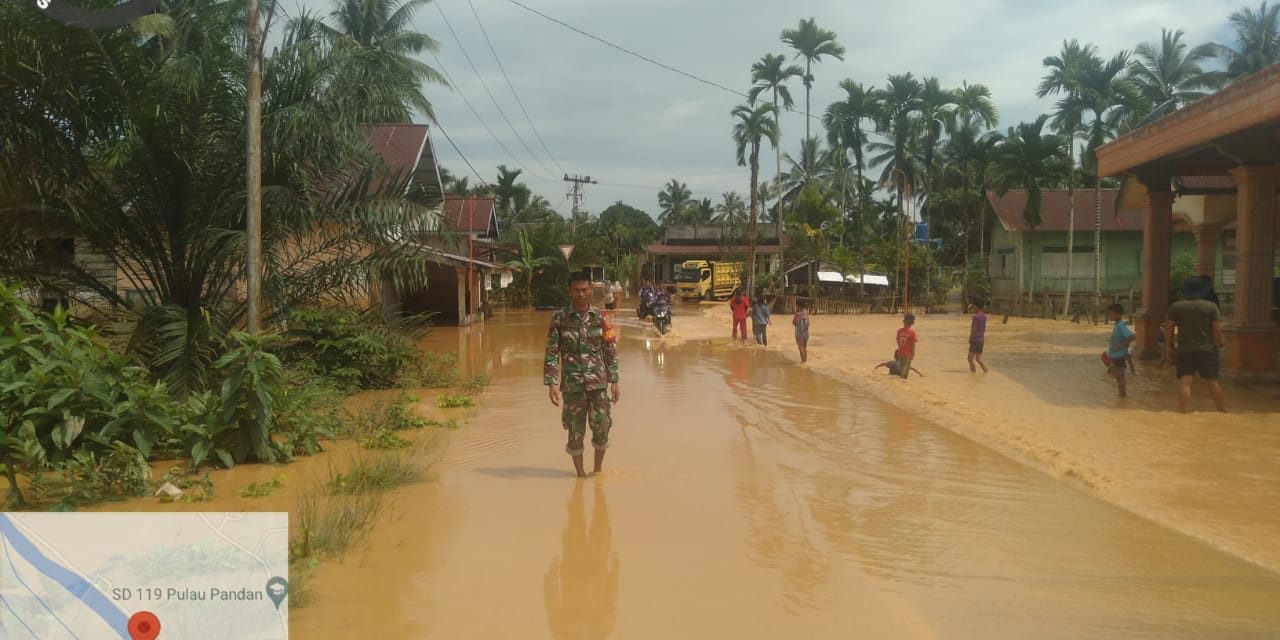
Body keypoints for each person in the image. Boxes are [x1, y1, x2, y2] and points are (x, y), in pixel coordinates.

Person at [545, 271, 622, 477]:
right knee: (575, 431)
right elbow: (552, 351)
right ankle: (580, 475)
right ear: (570, 291)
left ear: (591, 291)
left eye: (584, 290)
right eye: (576, 290)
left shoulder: (602, 317)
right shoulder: (560, 318)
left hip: (598, 384)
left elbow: (610, 350)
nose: (581, 294)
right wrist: (551, 383)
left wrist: (614, 381)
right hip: (573, 386)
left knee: (602, 427)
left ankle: (597, 471)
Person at [1165, 275, 1226, 413]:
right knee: (1212, 381)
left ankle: (1183, 412)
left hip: (1185, 349)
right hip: (1207, 349)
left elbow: (1169, 328)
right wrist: (1218, 345)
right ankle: (1222, 412)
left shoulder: (1177, 306)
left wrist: (1168, 347)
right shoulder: (1211, 306)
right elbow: (1217, 329)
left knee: (1186, 381)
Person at [1105, 303, 1136, 398]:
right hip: (1116, 357)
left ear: (1118, 314)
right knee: (1118, 379)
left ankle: (1122, 398)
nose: (1109, 316)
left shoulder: (1121, 325)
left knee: (1120, 380)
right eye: (1108, 314)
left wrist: (1121, 345)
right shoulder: (1117, 325)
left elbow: (1132, 336)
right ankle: (1122, 398)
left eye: (1111, 314)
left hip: (1119, 357)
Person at [968, 300, 989, 373]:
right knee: (978, 359)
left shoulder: (976, 317)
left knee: (970, 358)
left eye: (973, 306)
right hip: (981, 339)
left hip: (975, 339)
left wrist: (970, 338)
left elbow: (974, 329)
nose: (973, 308)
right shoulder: (984, 316)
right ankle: (986, 371)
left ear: (976, 306)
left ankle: (973, 374)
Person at [895, 313, 917, 380]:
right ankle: (903, 385)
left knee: (901, 370)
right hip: (908, 354)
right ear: (912, 323)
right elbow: (913, 344)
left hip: (900, 353)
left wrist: (900, 349)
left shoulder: (899, 331)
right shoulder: (912, 332)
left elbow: (898, 341)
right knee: (905, 373)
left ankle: (901, 385)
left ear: (903, 321)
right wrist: (913, 353)